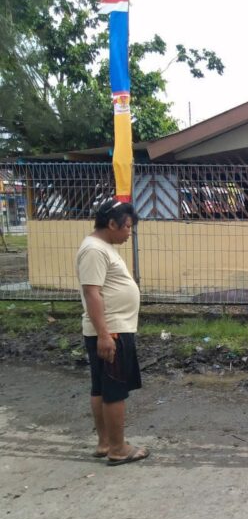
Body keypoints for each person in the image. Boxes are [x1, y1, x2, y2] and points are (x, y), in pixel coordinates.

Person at [76, 198, 149, 466]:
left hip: (111, 329)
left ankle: (105, 442)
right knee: (114, 390)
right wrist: (105, 335)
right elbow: (92, 293)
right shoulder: (95, 250)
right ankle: (118, 449)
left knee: (101, 388)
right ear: (111, 223)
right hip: (111, 331)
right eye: (127, 226)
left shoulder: (101, 246)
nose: (129, 232)